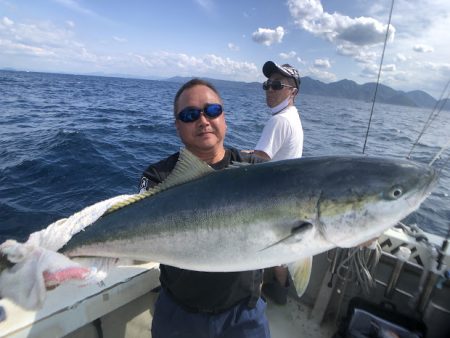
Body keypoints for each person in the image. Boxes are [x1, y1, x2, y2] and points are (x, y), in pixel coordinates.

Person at [139, 78, 271, 338]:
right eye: (189, 115)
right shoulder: (159, 176)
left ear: (224, 117)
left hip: (244, 314)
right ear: (177, 126)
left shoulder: (256, 170)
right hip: (178, 314)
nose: (203, 120)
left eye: (212, 111)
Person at [248, 61, 304, 305]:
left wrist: (225, 155)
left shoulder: (279, 121)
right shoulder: (292, 116)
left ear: (293, 91)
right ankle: (281, 293)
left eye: (277, 85)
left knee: (259, 252)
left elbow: (259, 159)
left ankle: (251, 299)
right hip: (286, 197)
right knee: (279, 253)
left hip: (269, 200)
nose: (270, 90)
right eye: (267, 84)